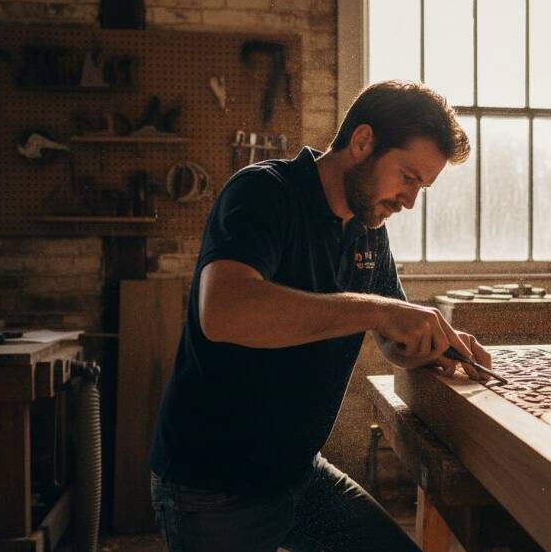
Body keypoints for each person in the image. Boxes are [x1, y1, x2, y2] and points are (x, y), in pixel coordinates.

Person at [149, 80, 493, 552]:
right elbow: (224, 312)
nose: (410, 201)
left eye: (422, 188)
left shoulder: (369, 226)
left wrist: (432, 344)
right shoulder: (263, 193)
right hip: (214, 486)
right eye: (408, 177)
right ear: (363, 141)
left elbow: (392, 335)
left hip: (297, 474)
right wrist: (379, 310)